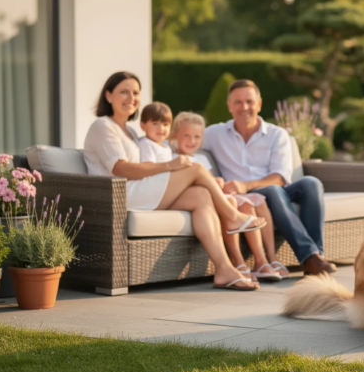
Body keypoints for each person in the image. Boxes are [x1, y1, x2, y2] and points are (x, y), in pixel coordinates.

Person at [82, 71, 266, 291]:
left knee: (201, 196)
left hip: (138, 191)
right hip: (118, 195)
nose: (131, 98)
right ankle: (233, 215)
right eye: (124, 92)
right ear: (109, 95)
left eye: (135, 93)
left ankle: (224, 269)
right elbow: (120, 168)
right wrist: (170, 166)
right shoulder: (103, 126)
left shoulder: (130, 132)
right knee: (195, 167)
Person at [203, 79, 336, 275]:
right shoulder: (214, 134)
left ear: (259, 104)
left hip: (274, 190)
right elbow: (184, 143)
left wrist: (246, 185)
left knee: (311, 183)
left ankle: (316, 255)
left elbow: (280, 178)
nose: (244, 107)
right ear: (229, 106)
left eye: (249, 101)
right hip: (248, 197)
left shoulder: (277, 134)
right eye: (238, 102)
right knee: (273, 191)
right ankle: (311, 258)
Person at [170, 111, 288, 281]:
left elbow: (210, 180)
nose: (192, 141)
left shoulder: (202, 157)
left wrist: (218, 182)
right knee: (232, 202)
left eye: (197, 136)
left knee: (251, 203)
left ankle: (261, 261)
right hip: (202, 198)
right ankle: (238, 262)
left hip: (217, 194)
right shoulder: (173, 157)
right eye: (186, 136)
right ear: (175, 135)